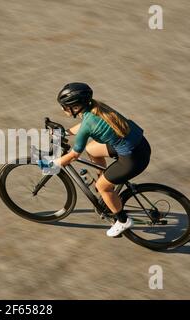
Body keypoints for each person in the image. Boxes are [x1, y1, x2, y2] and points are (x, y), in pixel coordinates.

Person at [37, 83, 151, 237]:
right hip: (138, 144)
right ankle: (102, 179)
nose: (62, 110)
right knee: (92, 149)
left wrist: (51, 164)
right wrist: (65, 132)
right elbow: (85, 124)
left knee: (103, 187)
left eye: (65, 107)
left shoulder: (88, 123)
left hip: (134, 158)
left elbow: (73, 155)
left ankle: (122, 221)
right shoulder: (97, 107)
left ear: (76, 107)